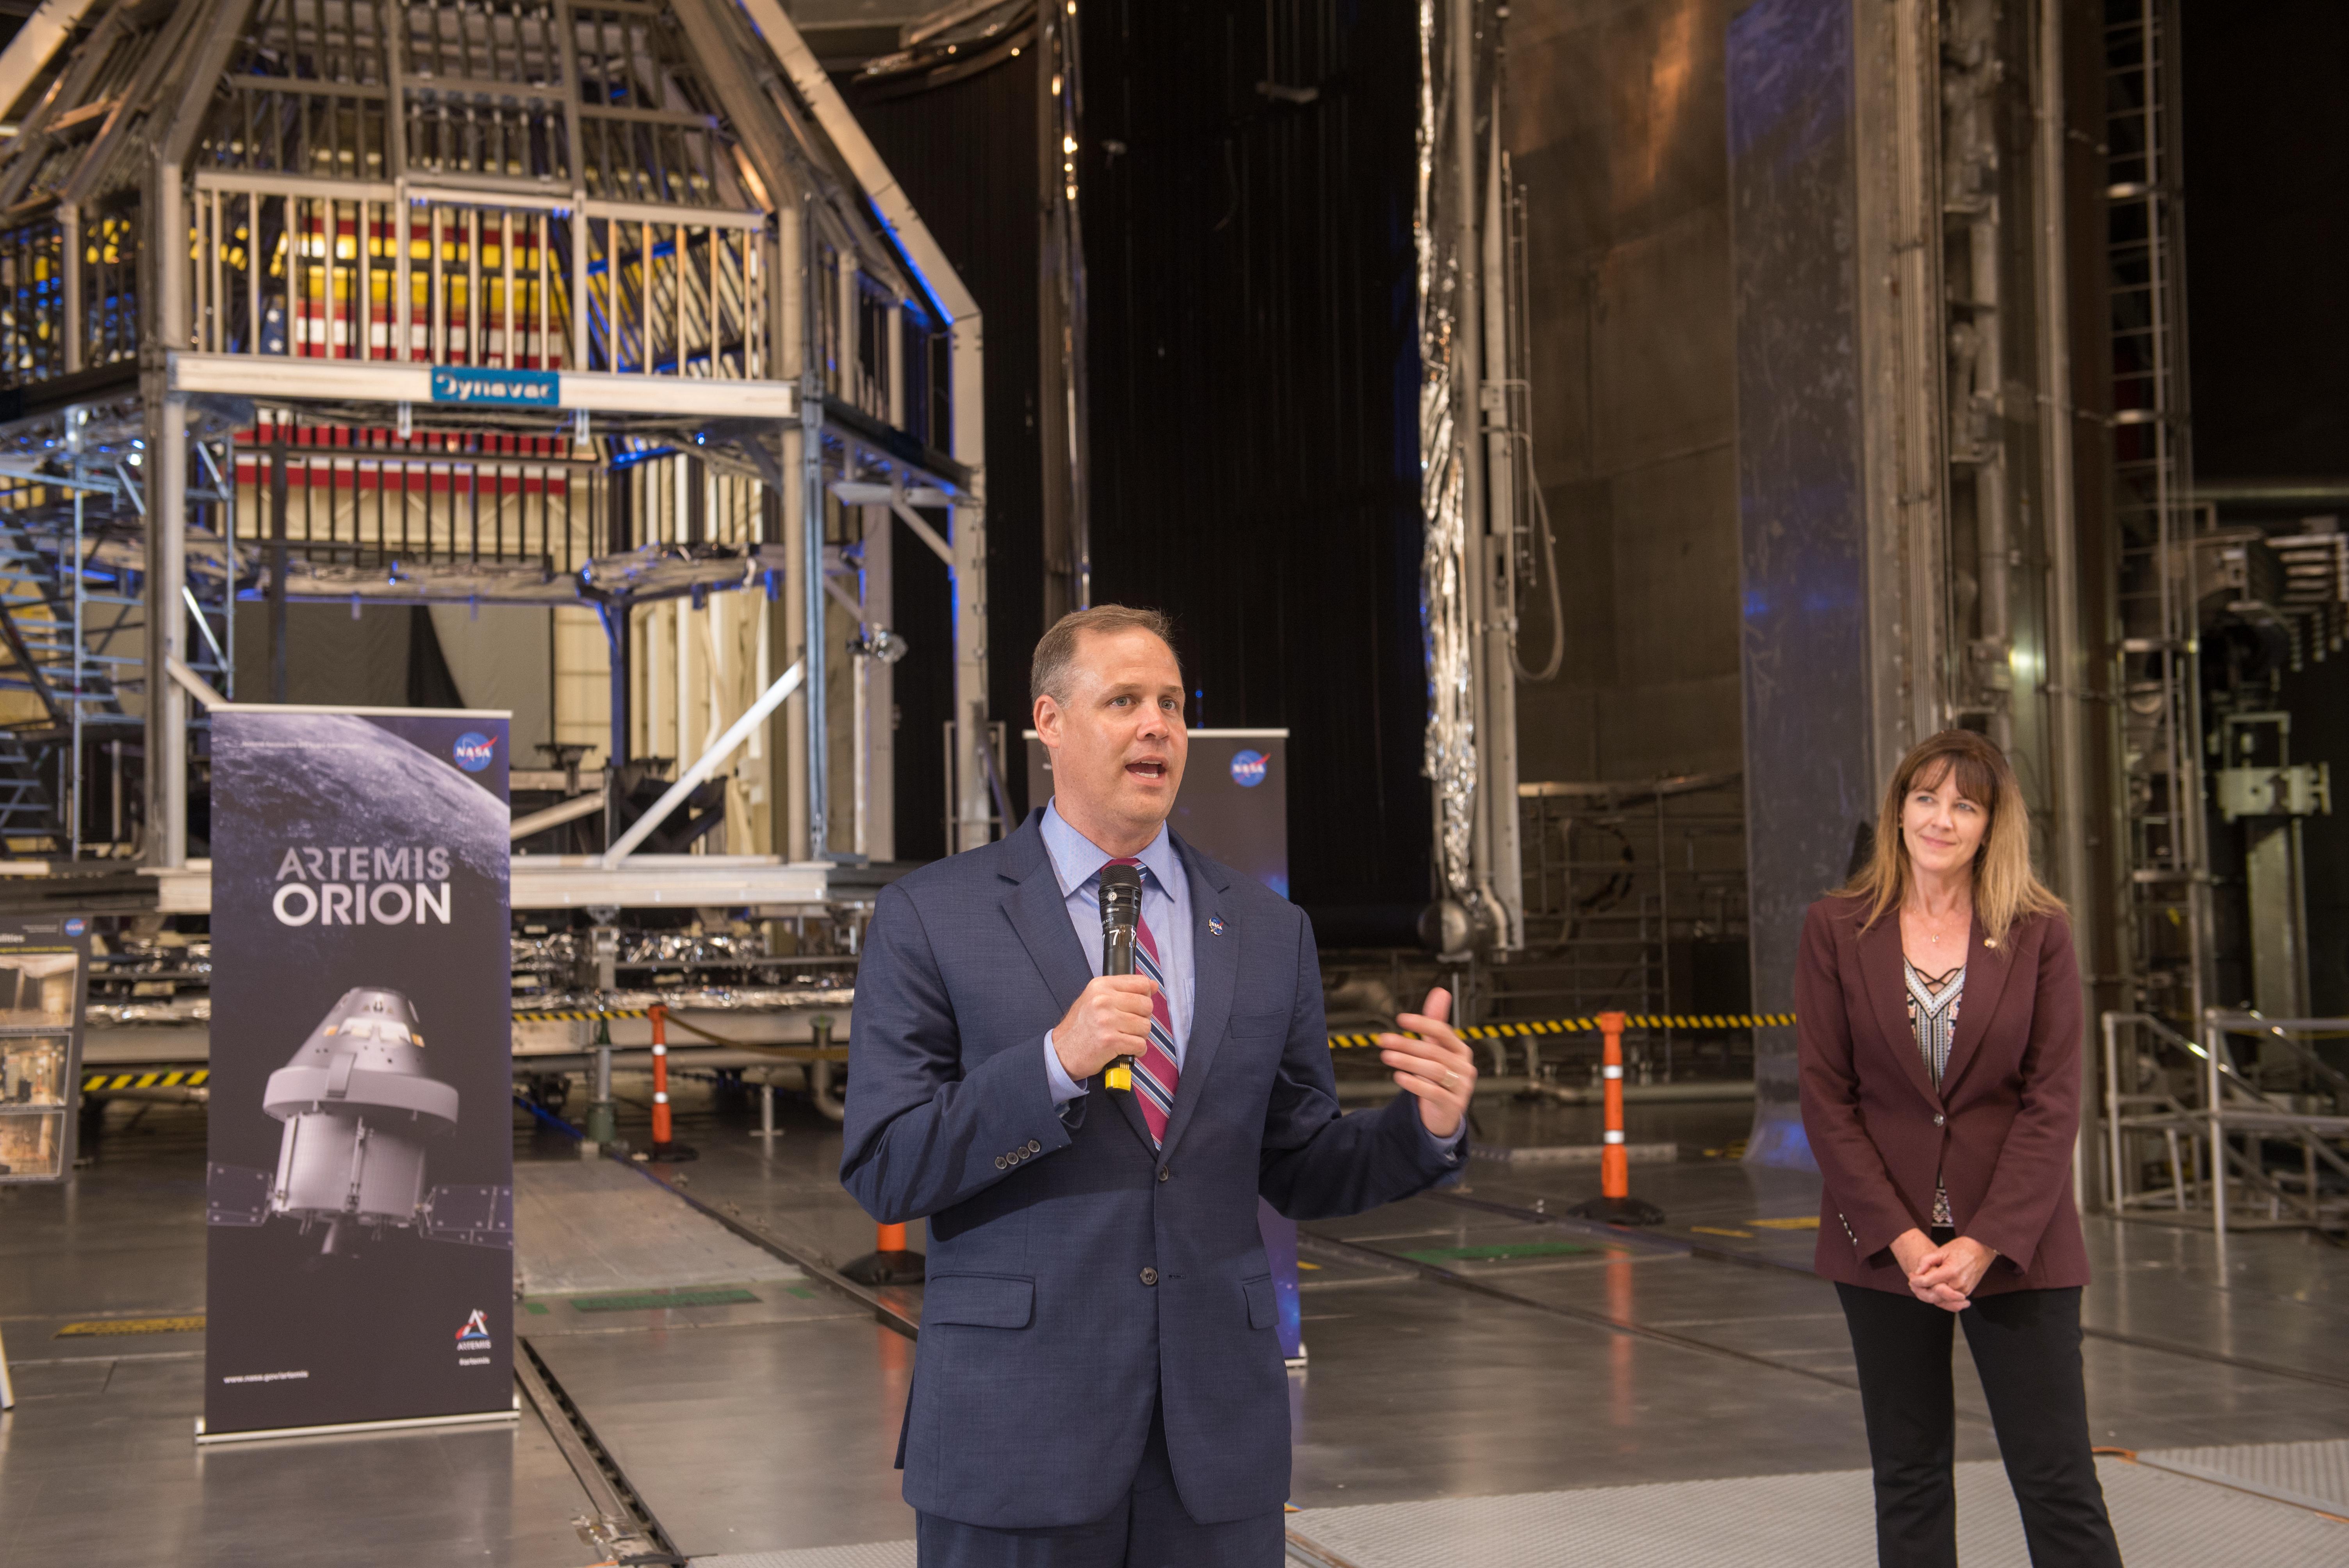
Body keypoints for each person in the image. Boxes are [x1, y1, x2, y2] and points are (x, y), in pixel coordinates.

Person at [841, 604, 1479, 1567]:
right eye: (1125, 701)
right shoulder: (932, 918)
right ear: (1048, 723)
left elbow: (1298, 1164)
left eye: (1172, 705)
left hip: (1213, 1448)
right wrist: (1053, 1064)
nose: (1157, 726)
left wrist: (1421, 1128)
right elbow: (887, 1166)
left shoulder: (1268, 930)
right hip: (1016, 1438)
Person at [1797, 729, 2123, 1567]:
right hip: (1882, 1247)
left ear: (1989, 825)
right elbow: (1828, 1099)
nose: (1939, 819)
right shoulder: (1834, 929)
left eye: (1963, 805)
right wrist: (1905, 1241)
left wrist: (1980, 1242)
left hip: (2017, 1247)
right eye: (1924, 798)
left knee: (2055, 1479)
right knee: (1906, 1477)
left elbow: (2051, 1101)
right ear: (1897, 810)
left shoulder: (2037, 930)